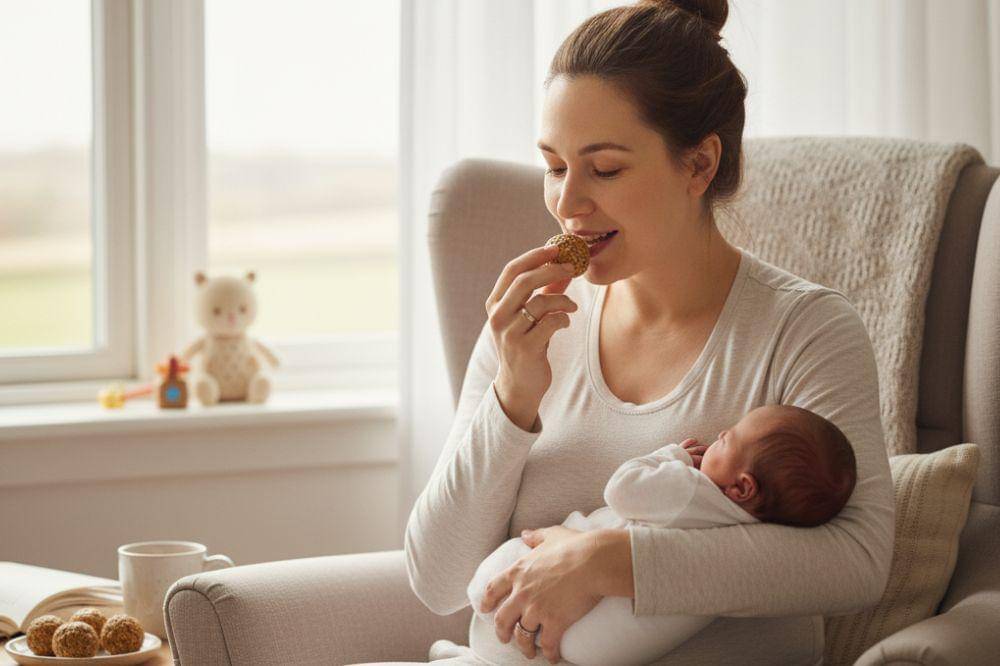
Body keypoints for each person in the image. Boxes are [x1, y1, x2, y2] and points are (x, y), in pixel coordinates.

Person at [391, 0, 894, 664]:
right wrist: (513, 398)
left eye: (604, 169)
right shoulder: (532, 334)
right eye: (554, 165)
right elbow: (435, 579)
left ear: (698, 166)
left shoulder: (803, 330)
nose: (567, 204)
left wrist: (609, 560)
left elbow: (854, 562)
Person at [465, 405, 858, 665]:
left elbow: (621, 488)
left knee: (516, 556)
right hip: (613, 648)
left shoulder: (692, 492)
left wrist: (674, 456)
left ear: (741, 488)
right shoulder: (752, 535)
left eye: (727, 439)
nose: (719, 433)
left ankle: (484, 598)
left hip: (579, 625)